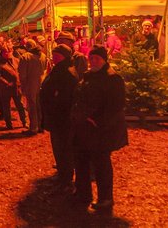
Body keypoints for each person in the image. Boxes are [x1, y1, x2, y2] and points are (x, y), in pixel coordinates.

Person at [71, 45, 128, 213]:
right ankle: (83, 193)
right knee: (81, 161)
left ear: (104, 60)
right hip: (84, 128)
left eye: (97, 58)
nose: (93, 61)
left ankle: (105, 199)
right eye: (92, 58)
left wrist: (97, 120)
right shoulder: (89, 76)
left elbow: (116, 105)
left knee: (101, 165)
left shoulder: (113, 79)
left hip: (100, 130)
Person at [40, 44, 78, 191]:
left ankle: (66, 178)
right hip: (56, 116)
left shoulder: (67, 72)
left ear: (64, 56)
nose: (54, 58)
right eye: (54, 55)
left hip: (62, 118)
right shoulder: (59, 69)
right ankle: (62, 174)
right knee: (58, 147)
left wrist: (53, 99)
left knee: (64, 148)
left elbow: (65, 97)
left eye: (57, 55)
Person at [0, 45, 26, 130]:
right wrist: (7, 83)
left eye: (9, 51)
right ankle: (8, 123)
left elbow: (21, 72)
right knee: (6, 107)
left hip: (17, 87)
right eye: (5, 52)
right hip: (5, 88)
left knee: (20, 105)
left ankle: (24, 121)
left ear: (12, 51)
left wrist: (20, 82)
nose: (7, 53)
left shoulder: (17, 61)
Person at [19, 39, 45, 135]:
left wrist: (22, 86)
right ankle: (41, 126)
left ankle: (33, 127)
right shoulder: (43, 56)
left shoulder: (25, 57)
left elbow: (22, 75)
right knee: (40, 106)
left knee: (32, 106)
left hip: (30, 85)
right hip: (41, 83)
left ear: (27, 47)